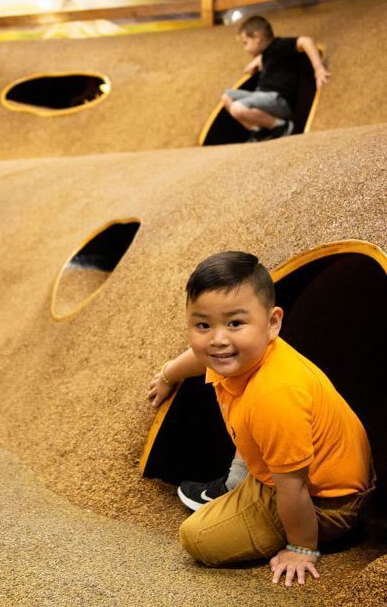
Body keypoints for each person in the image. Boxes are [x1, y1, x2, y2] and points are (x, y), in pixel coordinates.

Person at [146, 251, 373, 586]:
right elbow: (201, 356)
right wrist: (169, 374)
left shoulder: (275, 394)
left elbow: (294, 487)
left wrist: (302, 548)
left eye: (235, 323)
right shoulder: (243, 355)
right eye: (203, 325)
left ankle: (324, 531)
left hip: (325, 500)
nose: (218, 339)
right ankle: (239, 481)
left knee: (198, 537)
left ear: (272, 323)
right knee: (251, 422)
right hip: (301, 469)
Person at [221, 15, 329, 142]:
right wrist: (258, 60)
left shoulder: (280, 45)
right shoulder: (266, 54)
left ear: (257, 38)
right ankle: (259, 130)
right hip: (262, 97)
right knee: (226, 97)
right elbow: (268, 57)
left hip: (278, 99)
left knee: (237, 108)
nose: (245, 48)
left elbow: (306, 41)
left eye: (245, 43)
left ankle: (282, 126)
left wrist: (318, 68)